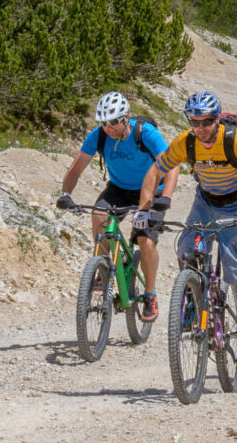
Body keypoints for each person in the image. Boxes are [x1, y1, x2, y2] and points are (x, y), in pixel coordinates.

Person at [140, 90, 237, 364]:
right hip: (204, 203)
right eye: (195, 121)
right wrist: (145, 210)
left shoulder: (236, 140)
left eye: (207, 121)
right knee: (185, 249)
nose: (201, 128)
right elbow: (156, 170)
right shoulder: (186, 142)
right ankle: (192, 300)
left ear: (217, 119)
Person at [57, 91, 178, 322]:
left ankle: (150, 294)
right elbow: (76, 168)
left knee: (145, 239)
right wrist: (65, 194)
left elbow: (171, 166)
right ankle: (104, 267)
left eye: (114, 121)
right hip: (120, 188)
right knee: (98, 214)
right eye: (104, 123)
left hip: (151, 189)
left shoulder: (146, 133)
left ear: (126, 117)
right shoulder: (98, 136)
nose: (109, 127)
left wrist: (166, 198)